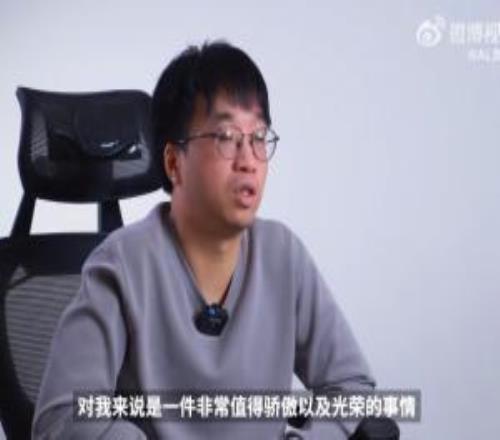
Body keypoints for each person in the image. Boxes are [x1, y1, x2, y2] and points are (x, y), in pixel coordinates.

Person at [32, 41, 375, 440]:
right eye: (226, 136)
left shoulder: (283, 255)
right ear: (173, 162)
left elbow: (352, 387)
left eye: (258, 136)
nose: (248, 160)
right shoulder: (121, 265)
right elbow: (61, 418)